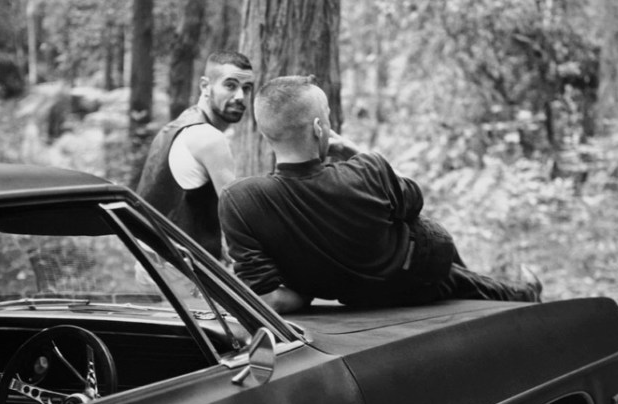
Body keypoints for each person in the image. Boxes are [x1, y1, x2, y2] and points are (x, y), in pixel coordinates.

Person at [219, 75, 542, 314]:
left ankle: (518, 291)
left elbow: (269, 296)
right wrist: (353, 151)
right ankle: (525, 294)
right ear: (319, 128)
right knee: (455, 275)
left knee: (458, 275)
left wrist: (310, 284)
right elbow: (413, 200)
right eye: (328, 116)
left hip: (360, 295)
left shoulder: (240, 201)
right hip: (417, 271)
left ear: (266, 133)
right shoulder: (366, 170)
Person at [137, 50, 254, 259]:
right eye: (230, 85)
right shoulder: (208, 138)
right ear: (205, 86)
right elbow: (240, 219)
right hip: (178, 270)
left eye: (246, 88)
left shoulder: (179, 124)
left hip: (152, 263)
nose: (240, 96)